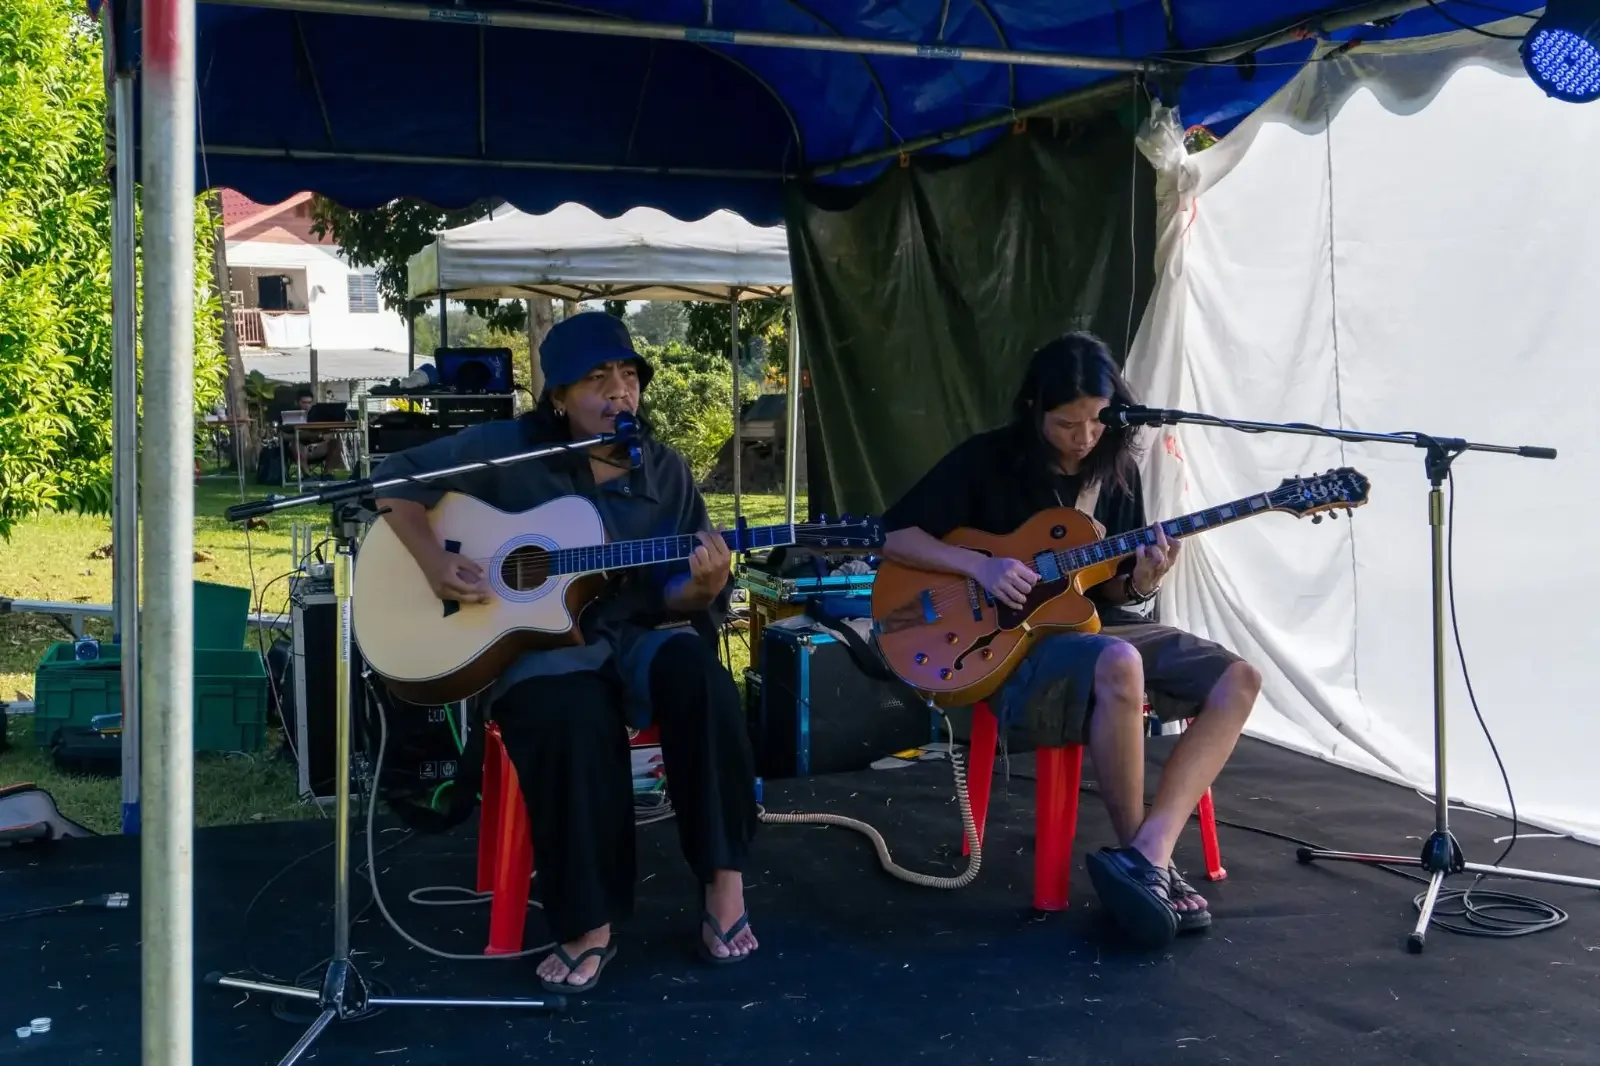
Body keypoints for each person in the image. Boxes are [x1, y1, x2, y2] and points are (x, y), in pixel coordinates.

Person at [371, 312, 761, 993]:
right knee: (568, 711)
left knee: (699, 676)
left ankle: (725, 885)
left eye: (629, 376)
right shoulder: (512, 449)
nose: (620, 392)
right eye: (597, 378)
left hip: (637, 635)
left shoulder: (663, 471)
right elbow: (396, 480)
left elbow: (678, 598)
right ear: (557, 396)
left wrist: (704, 585)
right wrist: (434, 562)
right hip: (541, 647)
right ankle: (588, 921)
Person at [878, 331, 1262, 949]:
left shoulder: (1118, 470)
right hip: (1009, 648)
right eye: (1066, 423)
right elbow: (893, 536)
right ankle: (1148, 872)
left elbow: (1111, 597)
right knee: (1119, 659)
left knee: (1238, 678)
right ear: (1034, 409)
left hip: (1092, 626)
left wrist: (1142, 578)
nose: (1084, 437)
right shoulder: (987, 460)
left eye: (1097, 422)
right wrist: (981, 567)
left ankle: (1148, 853)